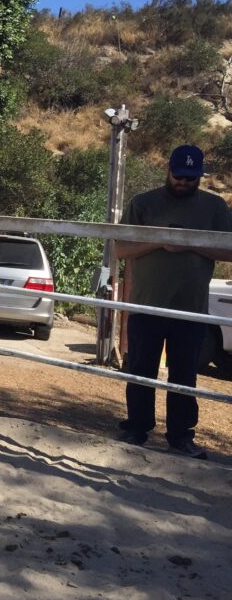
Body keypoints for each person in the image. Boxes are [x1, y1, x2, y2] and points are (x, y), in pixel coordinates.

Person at [115, 144, 232, 459]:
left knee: (185, 375)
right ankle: (137, 428)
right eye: (179, 175)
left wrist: (191, 244)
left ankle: (181, 436)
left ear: (199, 176)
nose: (183, 182)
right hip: (147, 303)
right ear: (168, 170)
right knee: (140, 369)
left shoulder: (216, 207)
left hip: (191, 307)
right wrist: (159, 239)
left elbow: (229, 251)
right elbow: (121, 249)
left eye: (190, 178)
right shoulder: (143, 203)